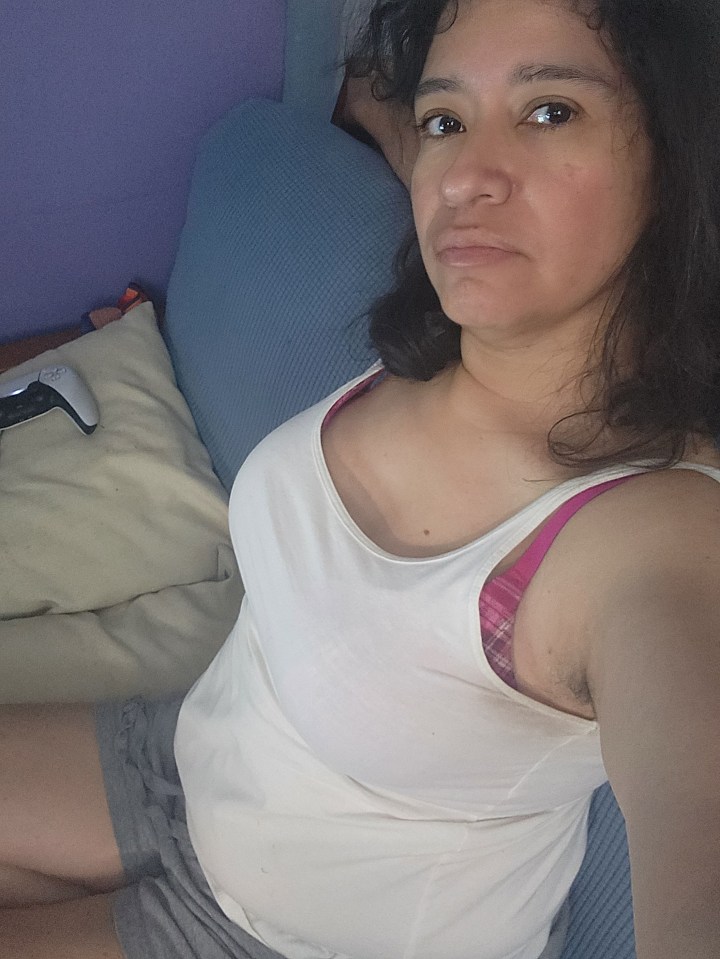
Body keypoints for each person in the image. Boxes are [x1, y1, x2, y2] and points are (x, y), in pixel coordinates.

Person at [2, 1, 720, 958]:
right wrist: (385, 106)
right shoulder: (462, 331)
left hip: (300, 935)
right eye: (447, 119)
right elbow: (398, 117)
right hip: (196, 754)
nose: (464, 176)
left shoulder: (659, 537)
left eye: (551, 111)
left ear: (678, 155)